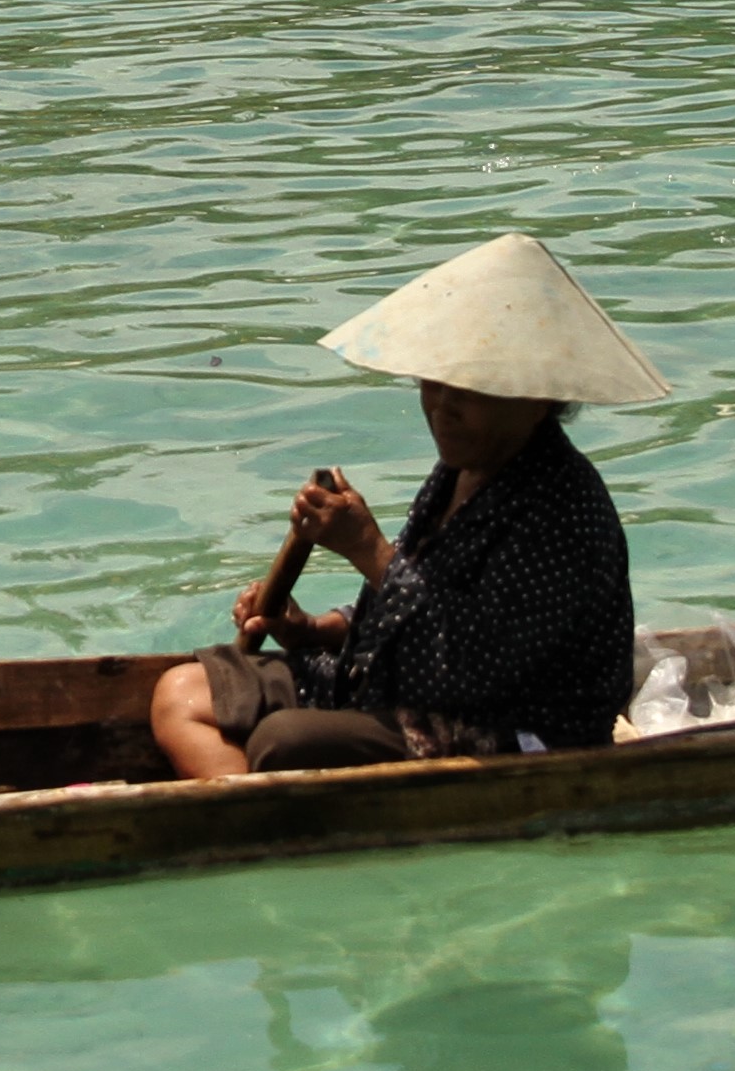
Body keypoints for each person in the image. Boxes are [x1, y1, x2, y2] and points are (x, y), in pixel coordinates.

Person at [153, 234, 669, 780]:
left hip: (511, 729)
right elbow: (422, 599)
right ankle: (253, 824)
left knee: (284, 743)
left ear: (536, 398)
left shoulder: (563, 510)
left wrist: (367, 548)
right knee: (181, 692)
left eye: (467, 393)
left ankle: (253, 822)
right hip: (405, 685)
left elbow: (472, 668)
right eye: (433, 385)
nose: (441, 409)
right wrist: (317, 629)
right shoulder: (465, 465)